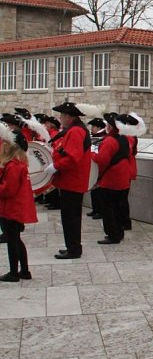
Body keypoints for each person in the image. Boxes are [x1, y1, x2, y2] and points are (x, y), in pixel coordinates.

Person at [47, 102, 93, 259]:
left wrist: (56, 166)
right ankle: (72, 246)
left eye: (61, 115)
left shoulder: (75, 132)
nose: (60, 118)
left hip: (72, 181)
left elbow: (73, 157)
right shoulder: (75, 130)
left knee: (70, 217)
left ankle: (73, 249)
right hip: (72, 180)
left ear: (68, 117)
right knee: (70, 217)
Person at [0, 124, 37, 281]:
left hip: (12, 209)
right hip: (15, 208)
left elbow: (8, 190)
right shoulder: (18, 164)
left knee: (12, 240)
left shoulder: (14, 166)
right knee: (15, 239)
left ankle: (14, 273)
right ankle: (24, 271)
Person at [91, 113, 131, 244]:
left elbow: (102, 160)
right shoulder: (124, 138)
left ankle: (112, 234)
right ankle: (119, 232)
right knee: (118, 207)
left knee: (108, 209)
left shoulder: (109, 140)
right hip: (123, 178)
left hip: (111, 179)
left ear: (110, 126)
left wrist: (92, 154)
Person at [86, 117, 106, 220]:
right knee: (93, 189)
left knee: (99, 191)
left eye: (93, 126)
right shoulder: (93, 137)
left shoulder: (102, 138)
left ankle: (100, 211)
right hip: (92, 165)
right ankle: (95, 209)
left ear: (99, 127)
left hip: (99, 166)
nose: (92, 128)